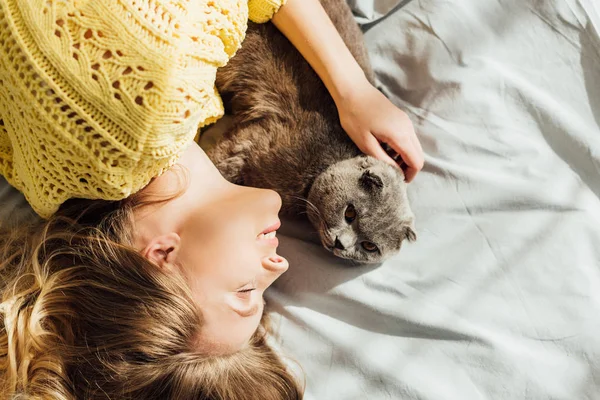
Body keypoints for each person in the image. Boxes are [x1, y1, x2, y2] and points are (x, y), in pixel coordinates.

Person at [0, 0, 424, 398]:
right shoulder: (51, 190)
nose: (280, 267)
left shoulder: (160, 98)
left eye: (245, 292)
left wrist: (353, 90)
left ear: (163, 252)